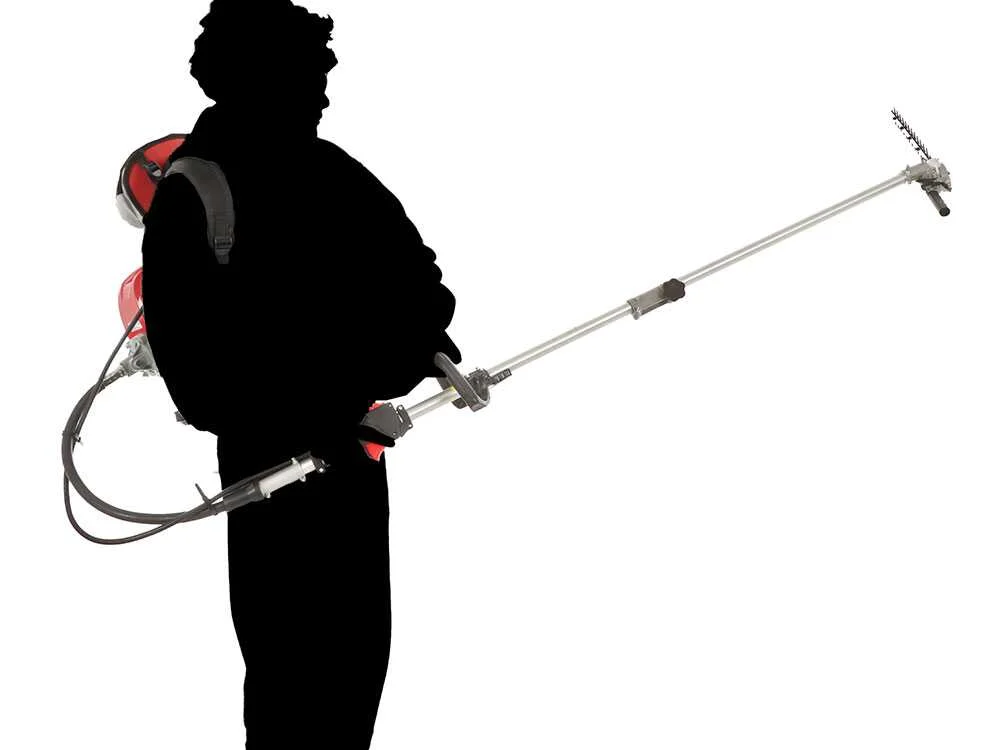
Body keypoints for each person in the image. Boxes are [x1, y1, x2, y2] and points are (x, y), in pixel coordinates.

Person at [140, 1, 462, 746]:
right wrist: (354, 378)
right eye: (312, 78)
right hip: (269, 476)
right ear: (260, 78)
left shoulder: (334, 171)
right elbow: (198, 380)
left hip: (355, 459)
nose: (325, 95)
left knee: (355, 674)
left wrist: (399, 359)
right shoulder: (194, 190)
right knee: (289, 684)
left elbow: (424, 291)